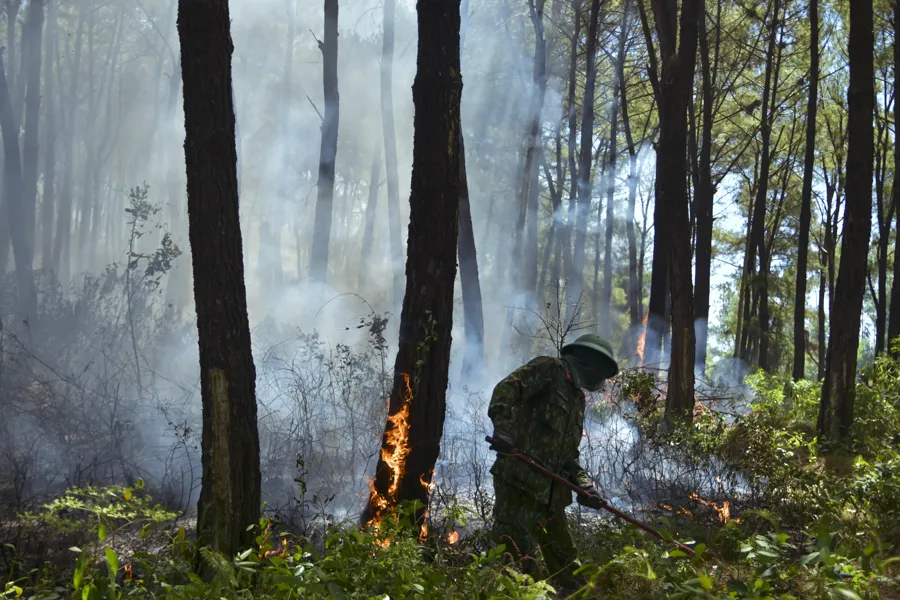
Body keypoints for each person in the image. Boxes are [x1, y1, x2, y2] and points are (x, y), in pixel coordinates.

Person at [487, 334, 619, 590]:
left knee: (570, 570)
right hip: (519, 485)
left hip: (552, 498)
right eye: (602, 371)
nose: (602, 379)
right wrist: (501, 428)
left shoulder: (577, 399)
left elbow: (569, 457)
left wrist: (585, 487)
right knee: (519, 565)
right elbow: (506, 389)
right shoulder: (549, 369)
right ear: (589, 362)